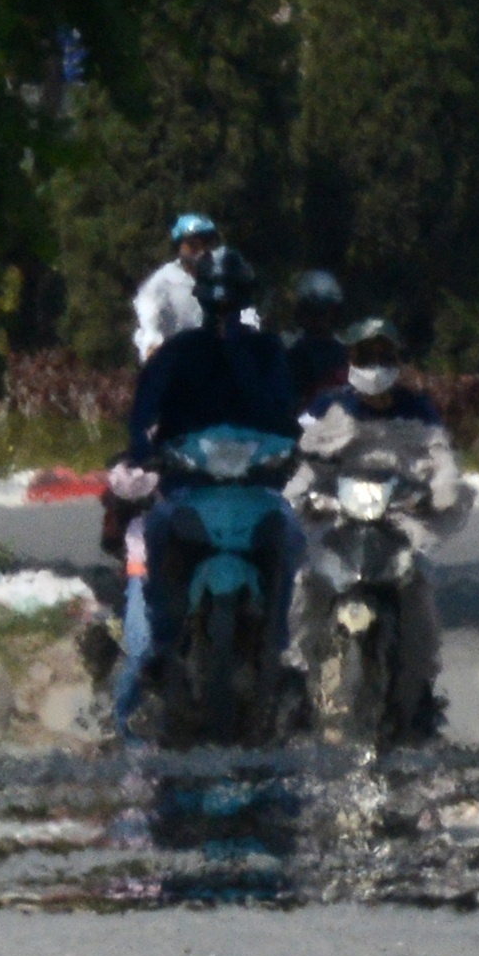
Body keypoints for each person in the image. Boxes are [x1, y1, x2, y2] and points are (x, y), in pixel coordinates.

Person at [122, 247, 302, 724]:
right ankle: (162, 646)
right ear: (200, 299)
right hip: (190, 488)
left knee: (292, 536)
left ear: (244, 300)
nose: (223, 310)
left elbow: (287, 413)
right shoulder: (179, 351)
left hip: (258, 488)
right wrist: (142, 447)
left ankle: (281, 645)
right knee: (157, 533)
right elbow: (144, 410)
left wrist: (292, 446)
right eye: (215, 300)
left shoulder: (267, 351)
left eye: (232, 300)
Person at [285, 318, 465, 740]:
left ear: (399, 362)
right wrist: (299, 494)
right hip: (336, 516)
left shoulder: (419, 410)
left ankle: (418, 691)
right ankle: (298, 676)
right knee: (306, 582)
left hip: (400, 517)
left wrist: (441, 491)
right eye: (367, 356)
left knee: (418, 583)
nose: (376, 366)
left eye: (386, 357)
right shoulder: (327, 408)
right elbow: (302, 463)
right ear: (351, 359)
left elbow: (443, 462)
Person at [132, 214, 219, 363]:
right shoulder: (160, 284)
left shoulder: (222, 277)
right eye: (193, 244)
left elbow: (246, 318)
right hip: (177, 368)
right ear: (179, 246)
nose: (201, 250)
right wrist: (153, 349)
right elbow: (149, 327)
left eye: (206, 243)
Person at [283, 271, 349, 410]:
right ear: (301, 313)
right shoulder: (291, 355)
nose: (319, 319)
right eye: (312, 311)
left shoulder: (347, 355)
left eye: (324, 312)